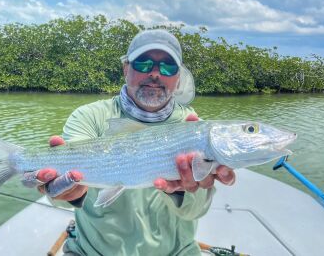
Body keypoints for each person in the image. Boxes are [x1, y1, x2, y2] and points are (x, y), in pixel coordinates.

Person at [22, 30, 236, 256]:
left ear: (178, 77)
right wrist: (70, 193)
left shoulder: (193, 127)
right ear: (126, 68)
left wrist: (181, 191)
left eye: (167, 67)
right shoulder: (89, 116)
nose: (155, 73)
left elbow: (195, 212)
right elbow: (68, 186)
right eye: (144, 64)